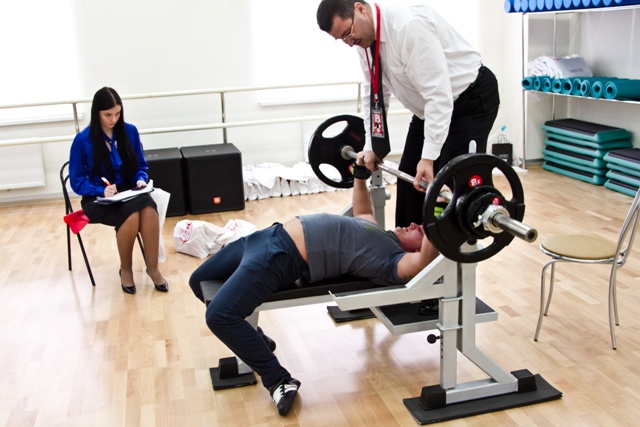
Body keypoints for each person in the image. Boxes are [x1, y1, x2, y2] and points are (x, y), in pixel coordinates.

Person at [188, 161, 439, 417]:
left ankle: (279, 380)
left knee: (219, 315)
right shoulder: (378, 231)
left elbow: (422, 262)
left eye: (420, 231)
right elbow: (363, 209)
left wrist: (438, 208)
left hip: (279, 256)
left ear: (418, 248)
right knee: (199, 281)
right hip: (265, 237)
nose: (413, 224)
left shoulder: (392, 262)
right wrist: (360, 172)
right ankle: (255, 339)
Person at [317, 0, 500, 227]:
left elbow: (439, 94)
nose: (349, 43)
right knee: (409, 180)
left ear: (360, 9)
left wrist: (428, 158)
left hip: (469, 101)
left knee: (448, 183)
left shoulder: (407, 26)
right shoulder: (364, 41)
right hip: (429, 109)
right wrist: (371, 145)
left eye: (348, 33)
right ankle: (407, 246)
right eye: (342, 39)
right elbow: (373, 94)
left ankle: (447, 246)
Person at [69, 87, 168, 295]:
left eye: (117, 113)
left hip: (129, 191)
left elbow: (141, 165)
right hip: (97, 198)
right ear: (96, 113)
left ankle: (153, 268)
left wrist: (140, 179)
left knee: (150, 211)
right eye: (108, 115)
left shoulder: (129, 131)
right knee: (131, 217)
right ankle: (126, 270)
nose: (113, 119)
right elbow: (77, 181)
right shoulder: (83, 140)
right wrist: (100, 189)